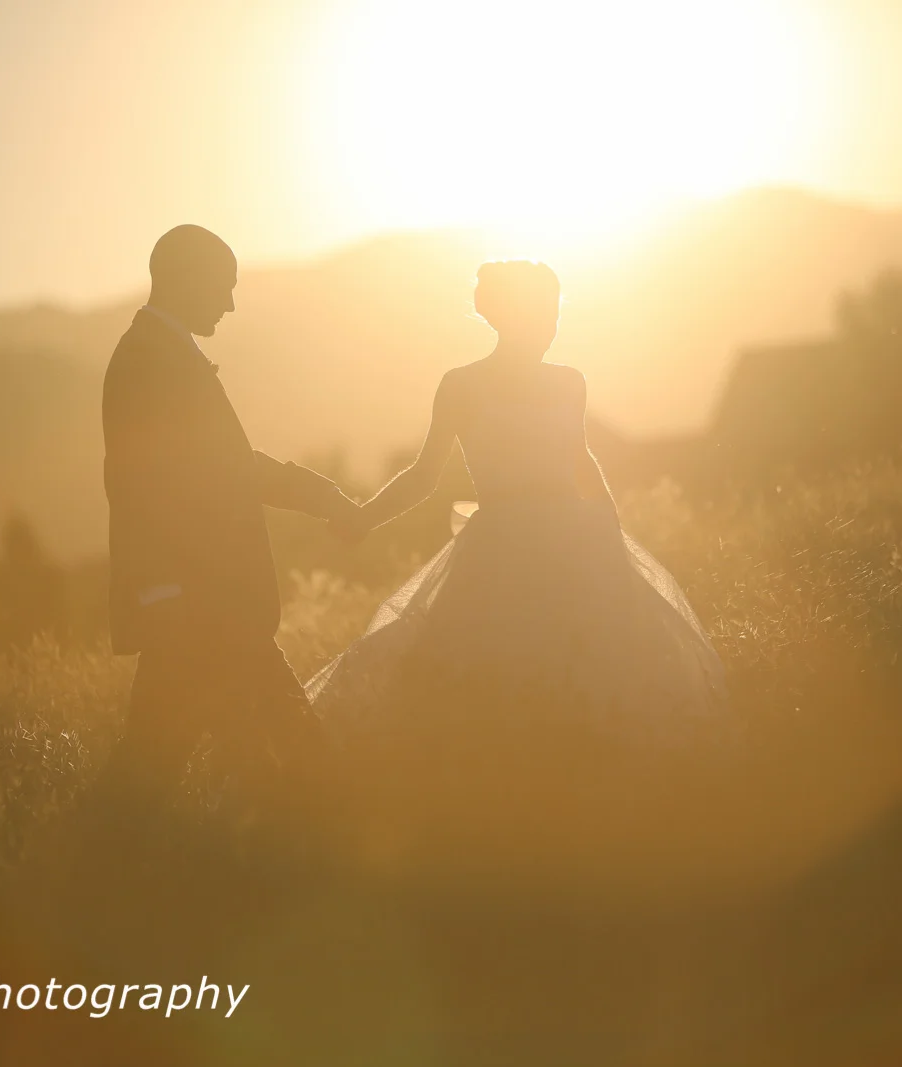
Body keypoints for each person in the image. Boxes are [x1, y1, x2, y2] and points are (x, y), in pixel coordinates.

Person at [309, 260, 726, 746]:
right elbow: (424, 477)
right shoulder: (462, 385)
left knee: (592, 661)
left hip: (574, 540)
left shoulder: (568, 381)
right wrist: (364, 518)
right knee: (497, 672)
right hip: (500, 549)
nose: (549, 326)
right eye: (540, 313)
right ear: (506, 316)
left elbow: (580, 458)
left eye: (554, 314)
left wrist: (610, 528)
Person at [101, 224, 358, 804]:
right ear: (186, 279)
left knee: (155, 771)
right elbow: (166, 483)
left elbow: (223, 468)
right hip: (199, 603)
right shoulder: (151, 361)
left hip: (198, 604)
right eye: (223, 286)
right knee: (299, 758)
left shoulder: (158, 353)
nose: (231, 302)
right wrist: (324, 498)